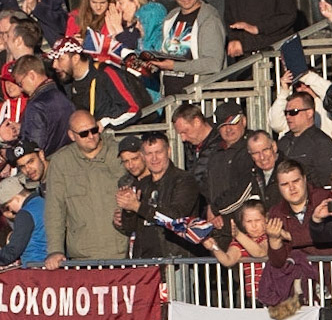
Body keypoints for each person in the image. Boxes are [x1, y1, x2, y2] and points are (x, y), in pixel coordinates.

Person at [42, 113, 127, 267]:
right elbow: (55, 210)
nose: (91, 136)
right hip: (82, 257)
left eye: (94, 130)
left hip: (123, 252)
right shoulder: (61, 162)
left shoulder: (120, 154)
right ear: (72, 135)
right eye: (83, 133)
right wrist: (55, 250)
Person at [116, 132, 201, 258]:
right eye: (149, 154)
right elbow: (130, 229)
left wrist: (137, 207)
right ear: (144, 157)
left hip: (176, 262)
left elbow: (175, 218)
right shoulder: (142, 184)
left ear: (169, 151)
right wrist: (128, 210)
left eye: (159, 152)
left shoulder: (184, 180)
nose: (154, 158)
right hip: (145, 264)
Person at [0, 173, 46, 266]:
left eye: (8, 207)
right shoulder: (43, 202)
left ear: (16, 198)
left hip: (34, 265)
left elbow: (13, 250)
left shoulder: (25, 214)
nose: (11, 211)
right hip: (53, 265)